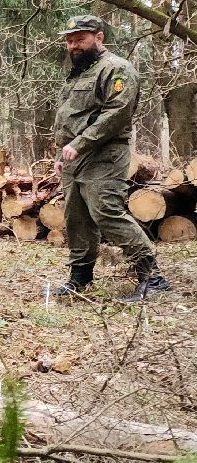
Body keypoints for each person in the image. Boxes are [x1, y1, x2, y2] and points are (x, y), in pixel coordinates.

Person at [51, 15, 172, 302]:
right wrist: (61, 153)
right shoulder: (79, 73)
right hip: (74, 159)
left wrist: (80, 144)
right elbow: (70, 118)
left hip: (104, 156)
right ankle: (79, 279)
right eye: (69, 40)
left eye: (80, 39)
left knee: (107, 214)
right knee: (76, 219)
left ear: (99, 37)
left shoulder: (117, 69)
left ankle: (152, 278)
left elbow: (116, 114)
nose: (74, 45)